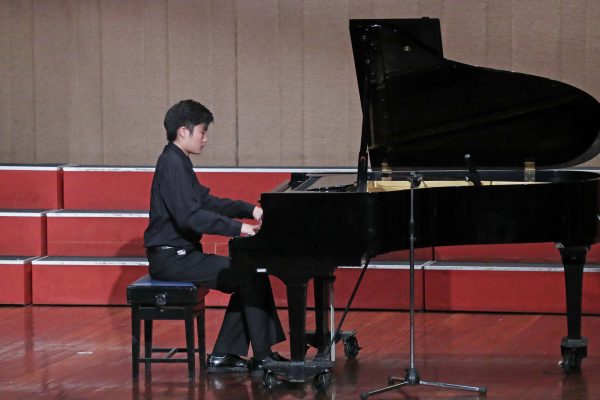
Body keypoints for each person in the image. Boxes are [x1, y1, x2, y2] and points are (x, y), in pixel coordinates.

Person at [143, 99, 286, 374]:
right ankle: (262, 357)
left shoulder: (178, 161)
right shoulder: (172, 163)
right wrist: (240, 228)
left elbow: (207, 202)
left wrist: (251, 210)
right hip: (171, 259)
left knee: (248, 273)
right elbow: (190, 217)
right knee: (250, 272)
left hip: (181, 256)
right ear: (183, 131)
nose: (205, 138)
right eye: (202, 131)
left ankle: (225, 355)